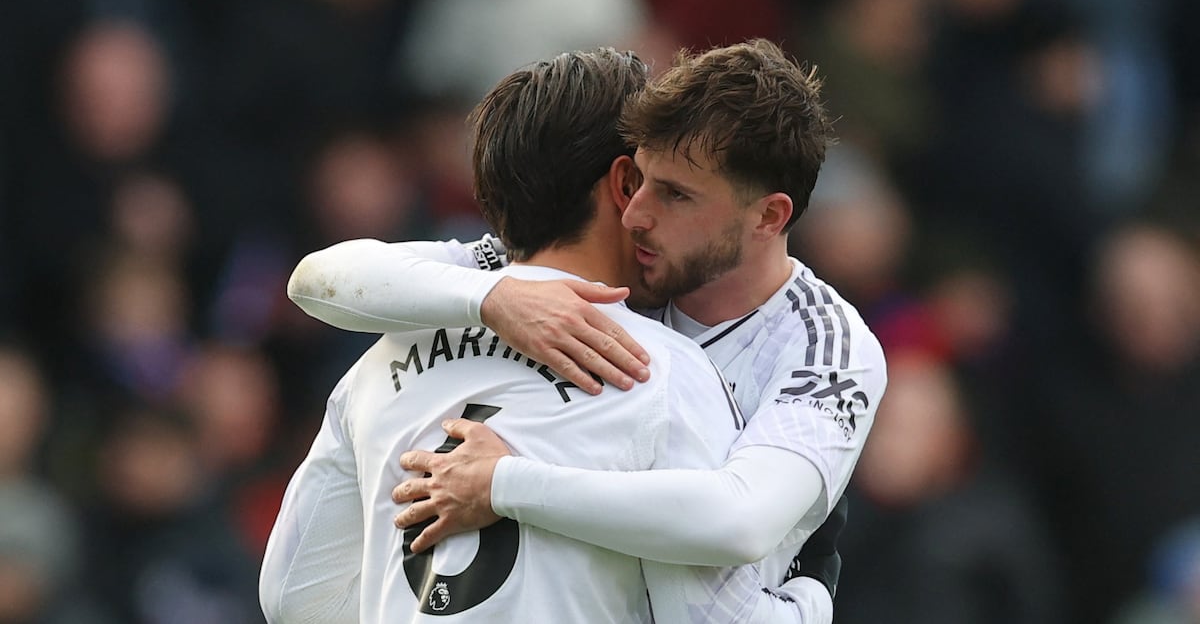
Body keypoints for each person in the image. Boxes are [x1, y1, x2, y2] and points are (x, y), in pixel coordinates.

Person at [290, 37, 885, 608]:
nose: (638, 213)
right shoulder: (555, 275)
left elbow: (739, 520)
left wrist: (505, 485)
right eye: (638, 181)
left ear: (768, 217)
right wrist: (492, 298)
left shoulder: (825, 347)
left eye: (676, 195)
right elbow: (319, 278)